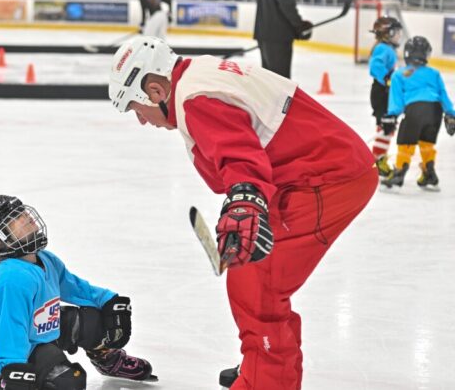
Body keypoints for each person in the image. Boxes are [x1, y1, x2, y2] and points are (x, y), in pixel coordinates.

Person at [108, 36, 377, 389]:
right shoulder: (197, 73)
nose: (142, 120)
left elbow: (241, 156)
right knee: (255, 275)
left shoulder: (194, 100)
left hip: (325, 179)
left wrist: (246, 199)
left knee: (257, 284)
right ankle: (262, 362)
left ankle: (266, 379)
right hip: (318, 169)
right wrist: (243, 200)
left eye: (134, 107)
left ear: (155, 91)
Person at [0, 195, 157, 390]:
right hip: (25, 349)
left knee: (93, 318)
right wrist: (13, 368)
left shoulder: (45, 259)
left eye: (22, 212)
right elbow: (11, 328)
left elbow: (75, 288)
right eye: (15, 218)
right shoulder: (12, 279)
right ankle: (0, 378)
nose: (27, 216)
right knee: (69, 382)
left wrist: (108, 301)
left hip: (46, 328)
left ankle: (107, 359)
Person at [380, 36, 455, 191]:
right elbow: (443, 95)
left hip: (414, 110)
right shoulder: (434, 73)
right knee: (427, 143)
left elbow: (397, 100)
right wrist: (450, 114)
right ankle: (429, 173)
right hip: (435, 111)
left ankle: (399, 172)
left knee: (406, 141)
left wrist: (391, 115)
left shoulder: (399, 74)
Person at [368, 16, 403, 178]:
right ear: (386, 33)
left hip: (385, 92)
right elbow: (375, 66)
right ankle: (378, 161)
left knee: (388, 128)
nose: (399, 36)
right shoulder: (383, 48)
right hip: (381, 93)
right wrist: (387, 78)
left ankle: (379, 159)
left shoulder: (389, 49)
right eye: (396, 33)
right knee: (385, 126)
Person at [253, 0, 313, 79]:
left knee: (269, 79)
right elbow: (286, 3)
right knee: (280, 82)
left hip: (264, 33)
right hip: (278, 36)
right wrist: (300, 26)